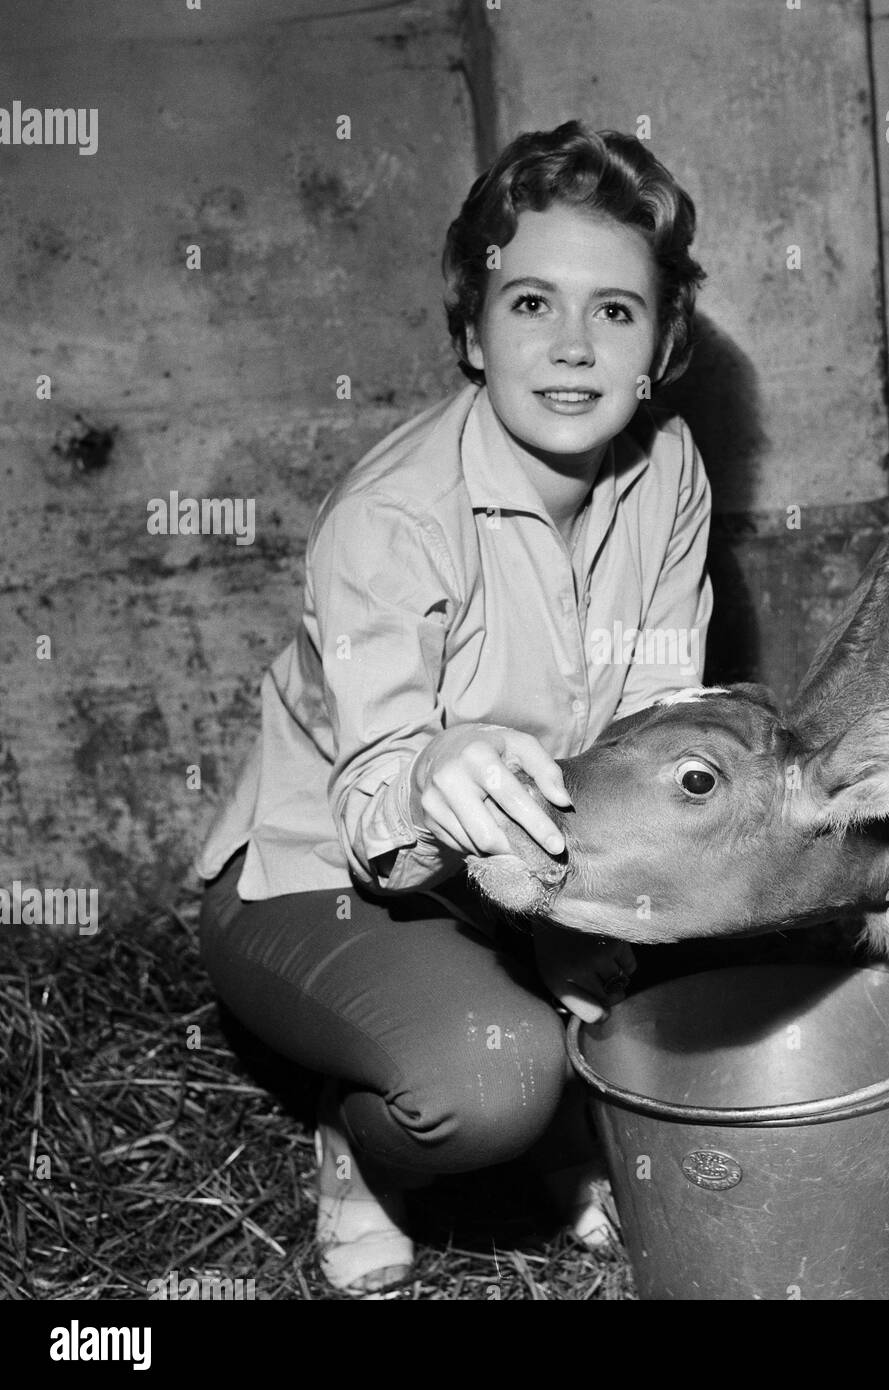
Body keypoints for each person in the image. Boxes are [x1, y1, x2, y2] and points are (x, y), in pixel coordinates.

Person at [194, 120, 713, 1295]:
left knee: (723, 920)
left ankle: (571, 1112)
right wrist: (441, 769)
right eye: (530, 303)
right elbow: (380, 817)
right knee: (488, 1085)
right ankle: (362, 1147)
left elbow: (650, 723)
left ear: (662, 343)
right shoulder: (394, 519)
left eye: (616, 311)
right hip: (322, 877)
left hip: (511, 872)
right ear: (473, 332)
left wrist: (593, 911)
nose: (573, 347)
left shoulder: (669, 470)